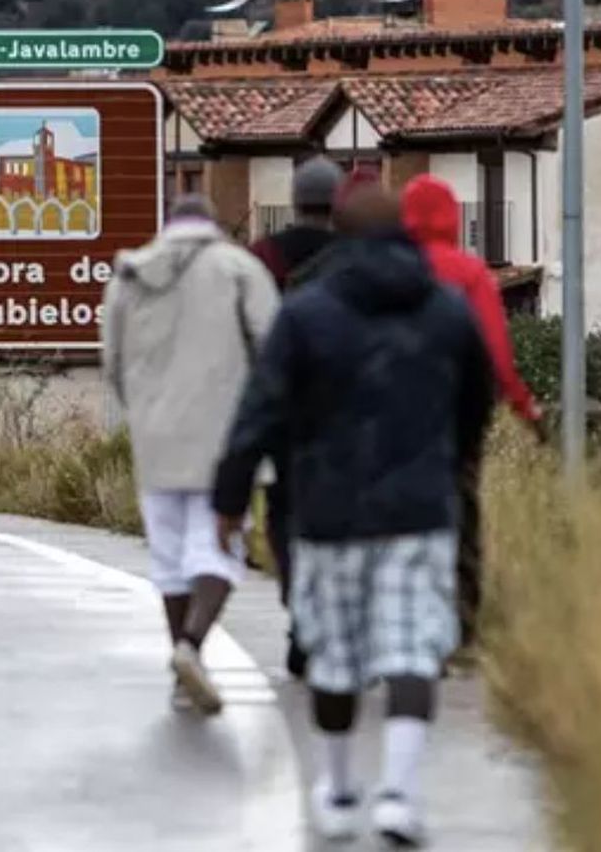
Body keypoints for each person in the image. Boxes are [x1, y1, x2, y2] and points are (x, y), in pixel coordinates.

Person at [214, 185, 494, 845]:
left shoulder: (306, 315)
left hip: (328, 512)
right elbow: (475, 403)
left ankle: (338, 788)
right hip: (420, 508)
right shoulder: (449, 312)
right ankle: (399, 793)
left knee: (335, 661)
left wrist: (230, 499)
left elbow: (261, 411)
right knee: (411, 651)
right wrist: (449, 466)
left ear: (337, 234)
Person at [102, 193, 279, 715]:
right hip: (226, 437)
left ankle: (184, 670)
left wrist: (142, 412)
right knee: (217, 549)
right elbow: (271, 348)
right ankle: (192, 646)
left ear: (167, 227)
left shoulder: (128, 277)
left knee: (171, 557)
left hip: (155, 437)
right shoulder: (240, 269)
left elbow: (111, 361)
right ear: (212, 226)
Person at [399, 175, 545, 651]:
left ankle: (402, 610)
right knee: (462, 508)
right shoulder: (469, 272)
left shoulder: (392, 270)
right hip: (459, 411)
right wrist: (524, 406)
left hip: (396, 413)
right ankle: (462, 622)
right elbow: (495, 350)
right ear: (452, 218)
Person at [247, 156, 345, 679]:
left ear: (295, 199)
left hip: (286, 411)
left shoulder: (264, 256)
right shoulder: (353, 256)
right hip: (349, 412)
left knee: (285, 515)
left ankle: (298, 605)